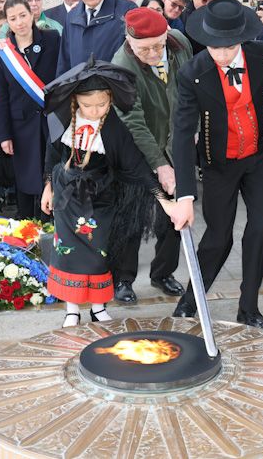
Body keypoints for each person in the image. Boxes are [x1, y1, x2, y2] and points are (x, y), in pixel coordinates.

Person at [169, 0, 263, 329]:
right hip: (219, 163)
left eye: (228, 47)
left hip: (260, 157)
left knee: (260, 229)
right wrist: (184, 194)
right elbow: (183, 134)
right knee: (218, 237)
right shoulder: (193, 73)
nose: (221, 54)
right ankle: (191, 299)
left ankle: (249, 306)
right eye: (214, 47)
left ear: (242, 38)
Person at [40, 59, 174, 327]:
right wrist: (47, 187)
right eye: (87, 105)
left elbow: (136, 165)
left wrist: (163, 200)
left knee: (101, 253)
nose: (94, 111)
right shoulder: (65, 120)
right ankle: (72, 309)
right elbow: (52, 154)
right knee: (67, 253)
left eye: (101, 105)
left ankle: (98, 306)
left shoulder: (114, 129)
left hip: (101, 200)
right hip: (67, 200)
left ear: (111, 99)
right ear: (76, 101)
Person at [110, 7, 192, 303]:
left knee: (174, 215)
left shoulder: (180, 42)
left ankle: (162, 273)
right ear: (130, 42)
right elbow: (133, 120)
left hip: (177, 143)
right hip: (136, 148)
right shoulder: (122, 64)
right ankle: (123, 278)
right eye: (145, 48)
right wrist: (159, 164)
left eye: (159, 44)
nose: (154, 52)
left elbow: (191, 88)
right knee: (132, 215)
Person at [0, 0, 59, 218]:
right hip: (21, 126)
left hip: (52, 121)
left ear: (32, 15)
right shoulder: (3, 52)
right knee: (27, 181)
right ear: (7, 23)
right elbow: (1, 97)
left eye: (23, 15)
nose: (19, 22)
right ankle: (28, 229)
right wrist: (4, 135)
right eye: (13, 18)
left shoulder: (52, 40)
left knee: (52, 176)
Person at [57, 0, 137, 75]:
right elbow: (64, 64)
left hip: (116, 90)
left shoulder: (127, 11)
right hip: (80, 92)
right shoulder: (71, 17)